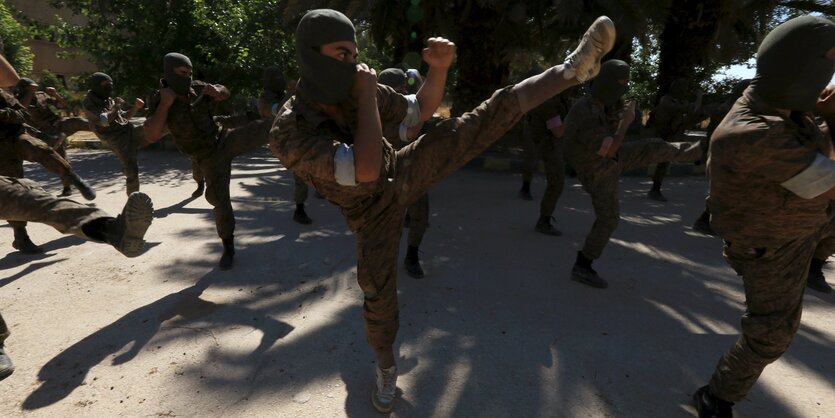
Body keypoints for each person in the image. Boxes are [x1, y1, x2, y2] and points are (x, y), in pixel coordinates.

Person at [270, 9, 615, 412]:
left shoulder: (359, 87)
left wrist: (439, 70)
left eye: (353, 55)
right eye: (341, 54)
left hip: (400, 170)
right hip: (368, 212)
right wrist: (366, 96)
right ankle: (385, 368)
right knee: (378, 299)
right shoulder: (289, 130)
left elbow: (419, 111)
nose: (352, 65)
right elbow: (363, 171)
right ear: (311, 55)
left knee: (474, 123)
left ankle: (572, 69)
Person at [692, 16, 835, 418]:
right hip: (773, 246)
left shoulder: (783, 100)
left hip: (805, 219)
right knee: (771, 335)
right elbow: (829, 180)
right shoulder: (753, 131)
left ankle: (818, 262)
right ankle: (716, 397)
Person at [563, 60, 703, 289]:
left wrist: (622, 115)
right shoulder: (585, 112)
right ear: (607, 83)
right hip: (597, 169)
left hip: (608, 158)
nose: (623, 89)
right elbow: (609, 148)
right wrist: (626, 123)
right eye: (620, 84)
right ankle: (583, 265)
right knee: (609, 219)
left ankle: (701, 152)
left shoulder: (601, 103)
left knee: (652, 146)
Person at [144, 52, 272, 270]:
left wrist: (219, 90)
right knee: (219, 200)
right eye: (182, 73)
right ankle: (228, 246)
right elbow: (151, 135)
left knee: (265, 128)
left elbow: (224, 92)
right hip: (207, 157)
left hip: (223, 139)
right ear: (169, 72)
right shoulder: (159, 99)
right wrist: (165, 105)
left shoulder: (198, 87)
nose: (187, 77)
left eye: (190, 73)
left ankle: (297, 121)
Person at [1, 73, 96, 255]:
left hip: (16, 135)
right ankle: (21, 237)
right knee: (15, 189)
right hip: (1, 150)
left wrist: (7, 114)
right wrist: (11, 113)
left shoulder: (3, 95)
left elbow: (22, 112)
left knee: (42, 149)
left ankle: (73, 178)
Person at [377, 67, 432, 278]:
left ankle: (412, 255)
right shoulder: (380, 113)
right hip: (389, 171)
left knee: (420, 214)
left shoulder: (404, 105)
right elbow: (412, 130)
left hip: (412, 169)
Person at [692, 79, 751, 236]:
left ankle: (708, 220)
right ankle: (705, 220)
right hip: (729, 156)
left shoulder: (719, 108)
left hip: (716, 154)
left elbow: (697, 114)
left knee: (721, 189)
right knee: (723, 190)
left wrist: (699, 99)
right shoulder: (739, 111)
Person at [257, 65, 314, 225]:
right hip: (283, 143)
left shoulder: (281, 94)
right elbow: (281, 109)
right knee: (300, 173)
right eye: (277, 79)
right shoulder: (264, 100)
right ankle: (299, 209)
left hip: (295, 137)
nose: (280, 81)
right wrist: (292, 91)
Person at [14, 78, 90, 196]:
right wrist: (30, 92)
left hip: (57, 123)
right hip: (46, 134)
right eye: (30, 88)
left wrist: (55, 94)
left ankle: (103, 126)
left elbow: (63, 105)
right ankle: (67, 188)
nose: (34, 90)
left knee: (78, 121)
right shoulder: (18, 101)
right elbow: (23, 107)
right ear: (25, 89)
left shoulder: (41, 95)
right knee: (61, 160)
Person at [518, 75, 572, 236]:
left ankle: (544, 219)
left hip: (548, 141)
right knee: (556, 182)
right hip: (547, 142)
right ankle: (544, 221)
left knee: (556, 181)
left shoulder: (555, 98)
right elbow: (558, 131)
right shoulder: (549, 102)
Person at [81, 72, 149, 195]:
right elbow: (104, 121)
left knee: (155, 127)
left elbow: (123, 117)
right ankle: (133, 201)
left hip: (127, 130)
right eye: (105, 84)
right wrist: (116, 106)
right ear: (96, 85)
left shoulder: (108, 99)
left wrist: (135, 107)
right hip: (115, 138)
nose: (109, 87)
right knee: (132, 169)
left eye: (111, 84)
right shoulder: (88, 102)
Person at [646, 77, 703, 201]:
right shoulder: (667, 100)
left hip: (673, 136)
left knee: (665, 161)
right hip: (663, 136)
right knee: (661, 161)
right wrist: (699, 97)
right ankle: (654, 190)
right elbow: (693, 109)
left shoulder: (678, 101)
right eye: (683, 88)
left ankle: (655, 189)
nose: (685, 91)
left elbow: (693, 113)